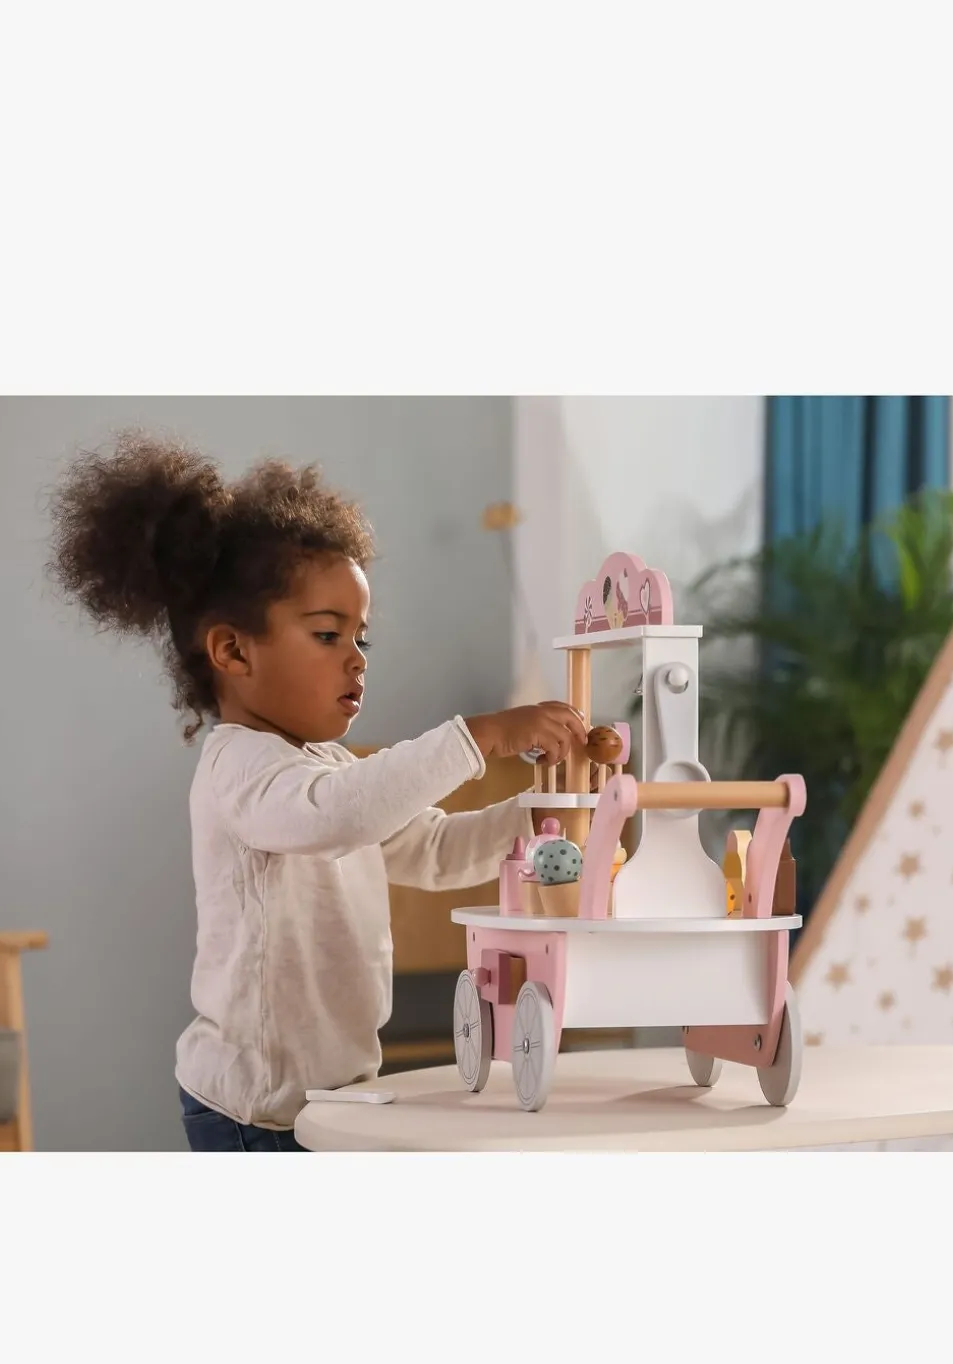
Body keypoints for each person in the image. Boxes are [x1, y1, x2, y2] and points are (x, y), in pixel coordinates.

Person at [48, 433, 586, 1151]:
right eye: (329, 635)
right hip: (252, 1110)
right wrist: (480, 735)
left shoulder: (326, 766)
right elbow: (337, 816)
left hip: (333, 1092)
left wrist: (545, 812)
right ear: (233, 651)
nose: (356, 659)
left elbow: (434, 849)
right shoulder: (239, 769)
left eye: (362, 638)